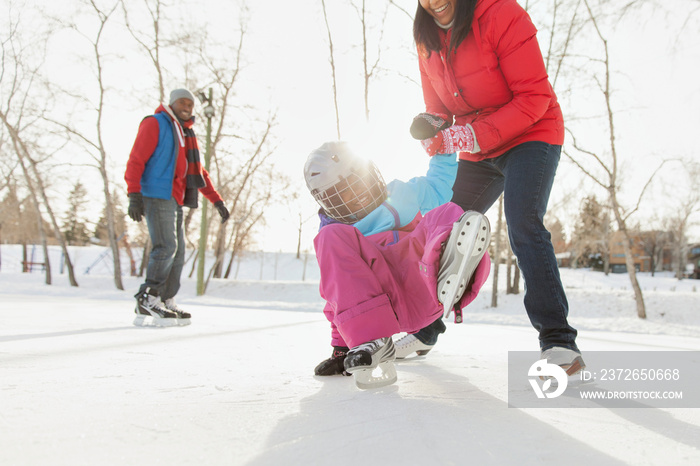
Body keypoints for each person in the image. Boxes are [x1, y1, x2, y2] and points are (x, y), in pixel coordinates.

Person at [411, 0, 584, 374]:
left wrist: (469, 135)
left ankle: (558, 342)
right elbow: (440, 109)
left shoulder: (501, 15)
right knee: (441, 226)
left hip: (532, 134)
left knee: (522, 221)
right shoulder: (425, 37)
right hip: (477, 147)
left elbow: (535, 97)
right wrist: (434, 129)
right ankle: (424, 328)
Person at [305, 141, 491, 388]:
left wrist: (442, 146)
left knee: (447, 212)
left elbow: (438, 185)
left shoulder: (401, 193)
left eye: (358, 182)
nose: (358, 195)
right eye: (344, 193)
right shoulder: (334, 233)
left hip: (423, 282)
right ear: (328, 201)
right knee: (329, 238)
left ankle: (453, 270)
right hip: (380, 306)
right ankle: (372, 341)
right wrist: (341, 349)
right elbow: (338, 295)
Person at [125, 88, 230, 327]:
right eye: (182, 102)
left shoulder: (186, 133)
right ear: (172, 104)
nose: (187, 107)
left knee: (179, 251)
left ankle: (164, 298)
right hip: (155, 193)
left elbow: (198, 172)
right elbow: (136, 158)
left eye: (190, 104)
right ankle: (148, 297)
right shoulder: (156, 123)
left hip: (174, 198)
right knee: (166, 247)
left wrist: (217, 201)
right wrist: (134, 193)